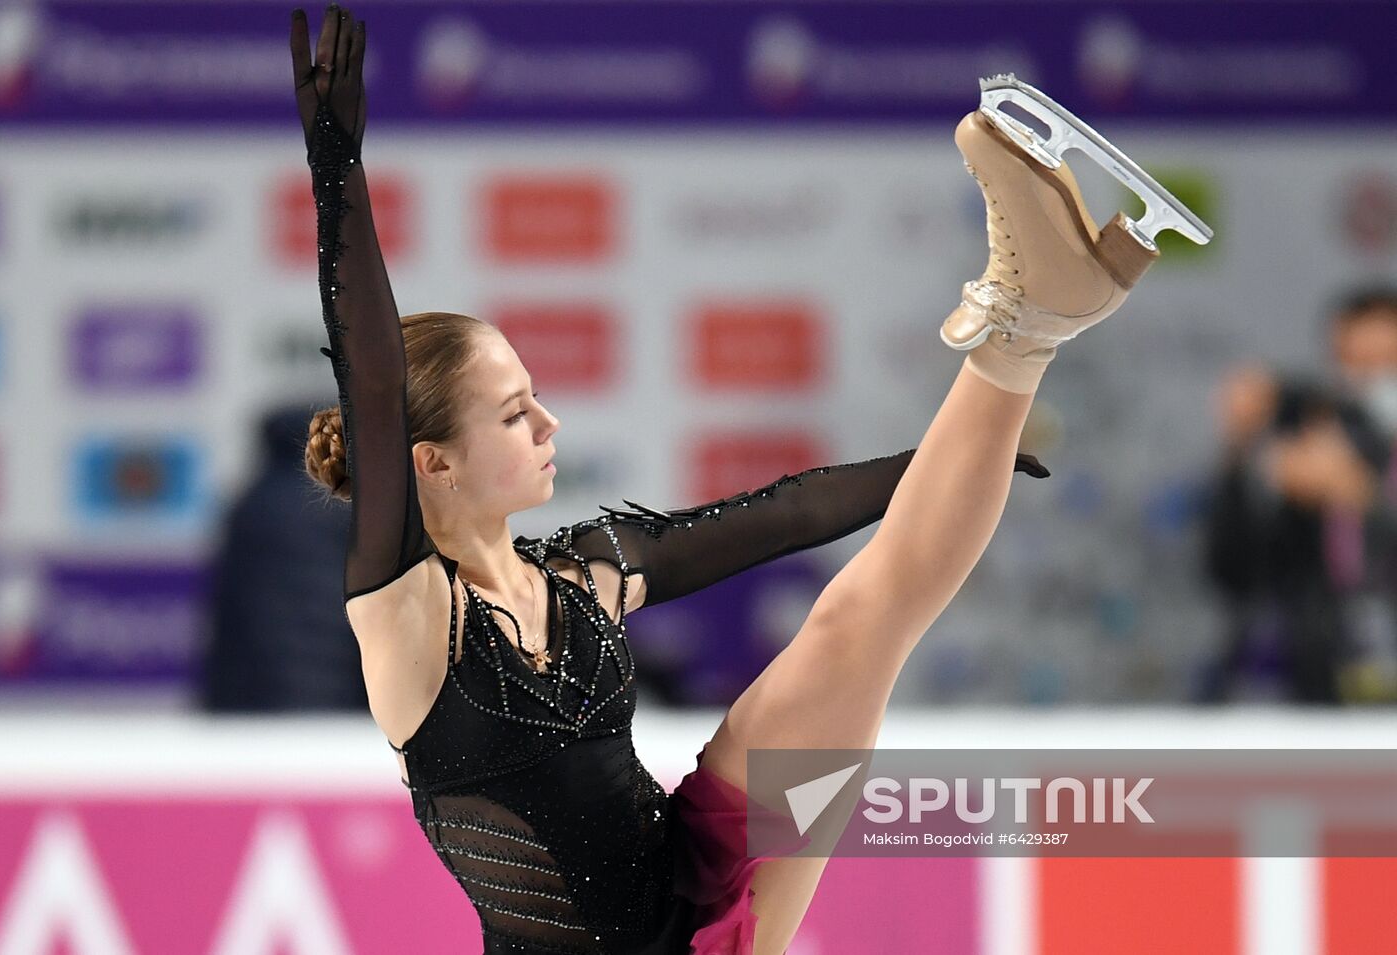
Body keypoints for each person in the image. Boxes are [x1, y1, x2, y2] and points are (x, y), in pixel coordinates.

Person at [290, 8, 1196, 953]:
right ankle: (1037, 319)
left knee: (860, 619)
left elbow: (783, 512)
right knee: (865, 620)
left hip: (696, 863)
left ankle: (1029, 322)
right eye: (515, 412)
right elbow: (379, 387)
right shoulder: (408, 618)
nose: (549, 423)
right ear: (427, 461)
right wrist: (337, 175)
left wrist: (942, 463)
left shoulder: (582, 575)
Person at [1203, 288, 1397, 703]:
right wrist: (1241, 454)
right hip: (1305, 685)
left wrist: (1363, 498)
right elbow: (1229, 572)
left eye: (1388, 366)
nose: (1375, 383)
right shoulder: (1306, 435)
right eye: (1357, 365)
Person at [198, 401, 366, 712]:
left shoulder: (256, 500)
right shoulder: (343, 504)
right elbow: (309, 648)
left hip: (249, 720)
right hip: (307, 730)